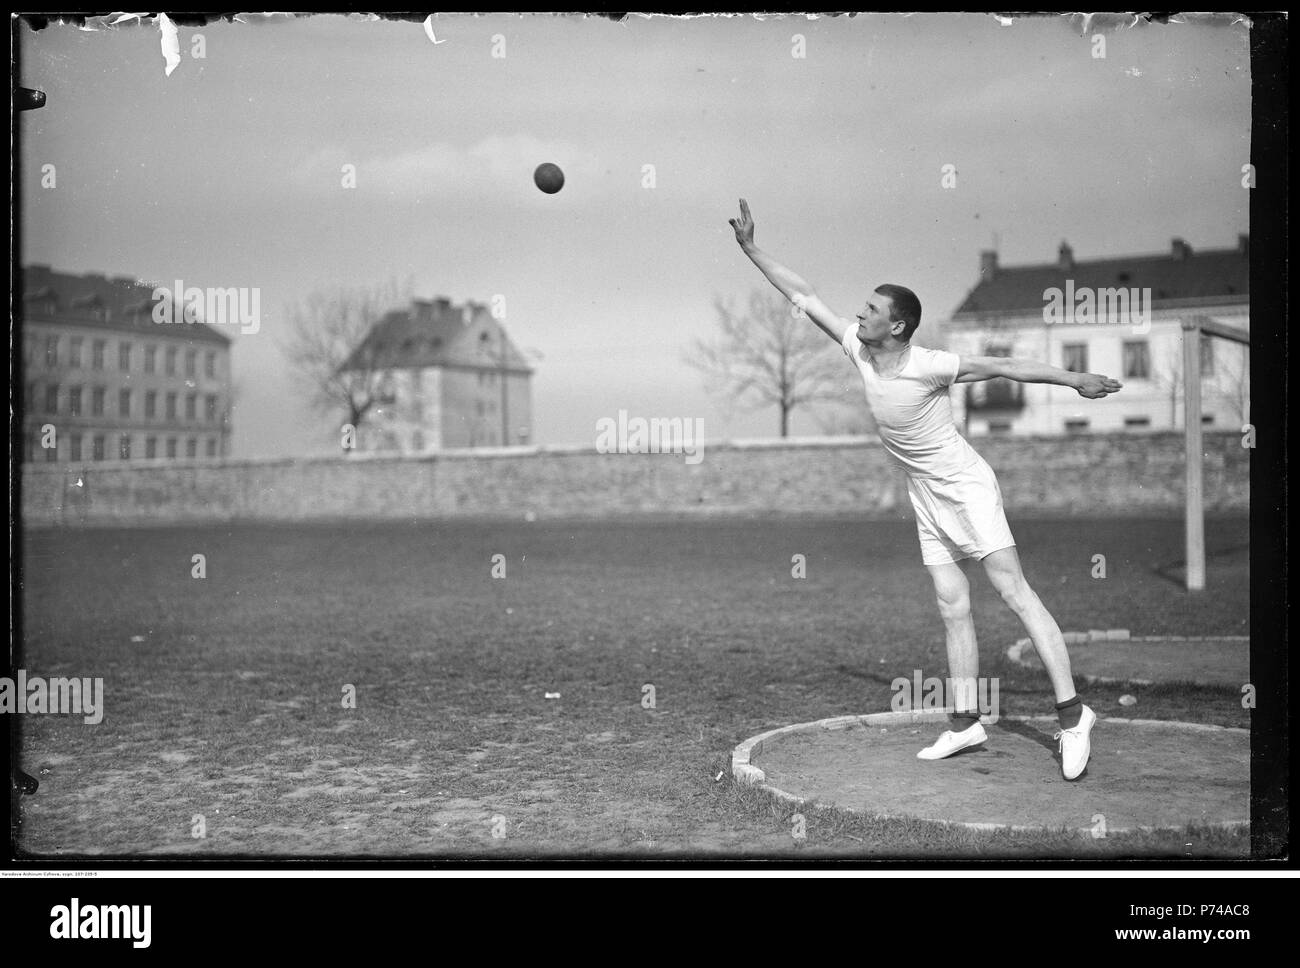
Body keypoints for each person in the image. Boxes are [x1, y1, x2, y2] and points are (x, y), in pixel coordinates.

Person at [728, 198, 1122, 779]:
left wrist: (1076, 380)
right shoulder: (859, 352)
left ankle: (1072, 716)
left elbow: (1006, 367)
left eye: (871, 310)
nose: (859, 315)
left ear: (899, 326)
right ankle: (965, 725)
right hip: (926, 495)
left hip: (966, 486)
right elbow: (804, 296)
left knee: (1013, 592)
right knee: (951, 602)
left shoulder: (930, 363)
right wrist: (751, 248)